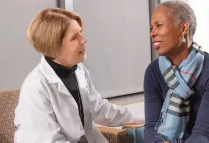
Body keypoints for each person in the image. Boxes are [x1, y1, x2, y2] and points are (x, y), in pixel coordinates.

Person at [14, 8, 142, 143]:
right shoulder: (36, 86)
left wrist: (149, 116)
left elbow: (101, 110)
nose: (83, 40)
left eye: (80, 32)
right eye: (75, 37)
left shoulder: (79, 71)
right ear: (54, 45)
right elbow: (49, 140)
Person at [144, 0, 209, 143]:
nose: (152, 33)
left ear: (183, 28)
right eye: (151, 27)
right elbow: (151, 127)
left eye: (159, 25)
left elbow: (202, 134)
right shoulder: (153, 72)